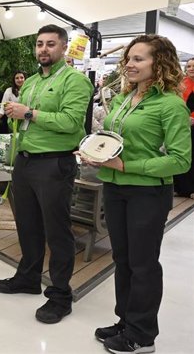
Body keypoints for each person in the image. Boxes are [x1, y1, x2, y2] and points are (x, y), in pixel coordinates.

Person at [81, 35, 190, 354]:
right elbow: (113, 138)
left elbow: (180, 159)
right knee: (122, 259)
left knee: (143, 263)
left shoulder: (171, 104)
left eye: (139, 58)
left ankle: (143, 336)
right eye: (129, 57)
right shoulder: (124, 98)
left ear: (161, 63)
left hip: (148, 194)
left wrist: (126, 165)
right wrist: (96, 151)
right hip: (115, 187)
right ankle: (126, 321)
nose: (130, 63)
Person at [0, 24, 93, 324]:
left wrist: (28, 113)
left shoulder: (75, 82)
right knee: (27, 224)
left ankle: (60, 294)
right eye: (39, 44)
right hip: (25, 161)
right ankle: (28, 277)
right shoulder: (33, 81)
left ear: (63, 48)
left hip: (54, 163)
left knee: (57, 230)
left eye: (50, 44)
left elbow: (72, 122)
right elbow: (26, 119)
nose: (43, 49)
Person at [174, 58, 194, 198]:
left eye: (193, 66)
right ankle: (181, 187)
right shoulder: (181, 84)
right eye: (189, 66)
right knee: (181, 152)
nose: (191, 68)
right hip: (182, 124)